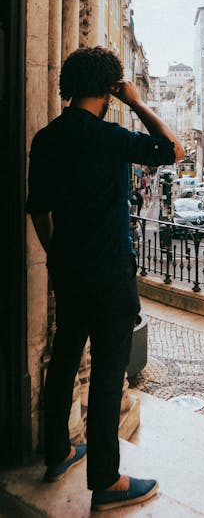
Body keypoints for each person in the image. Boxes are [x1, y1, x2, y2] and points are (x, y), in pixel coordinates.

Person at [26, 46, 184, 512]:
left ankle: (57, 452)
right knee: (107, 371)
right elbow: (173, 150)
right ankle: (107, 481)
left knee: (65, 356)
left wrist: (58, 254)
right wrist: (135, 102)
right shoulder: (112, 136)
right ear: (109, 89)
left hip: (69, 269)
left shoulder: (46, 138)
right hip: (111, 270)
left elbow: (37, 210)